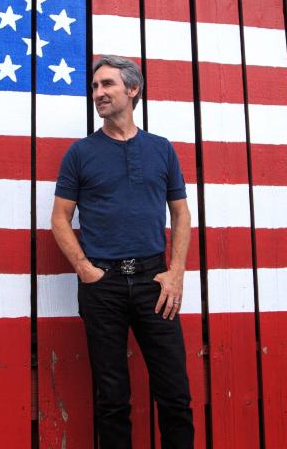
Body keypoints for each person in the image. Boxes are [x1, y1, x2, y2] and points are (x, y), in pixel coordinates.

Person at [51, 55, 194, 448]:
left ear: (133, 90)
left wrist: (176, 271)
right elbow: (60, 218)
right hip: (103, 287)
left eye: (107, 84)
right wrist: (84, 268)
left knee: (175, 395)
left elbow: (181, 215)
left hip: (155, 283)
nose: (98, 93)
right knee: (112, 400)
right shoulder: (80, 153)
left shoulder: (162, 149)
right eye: (95, 86)